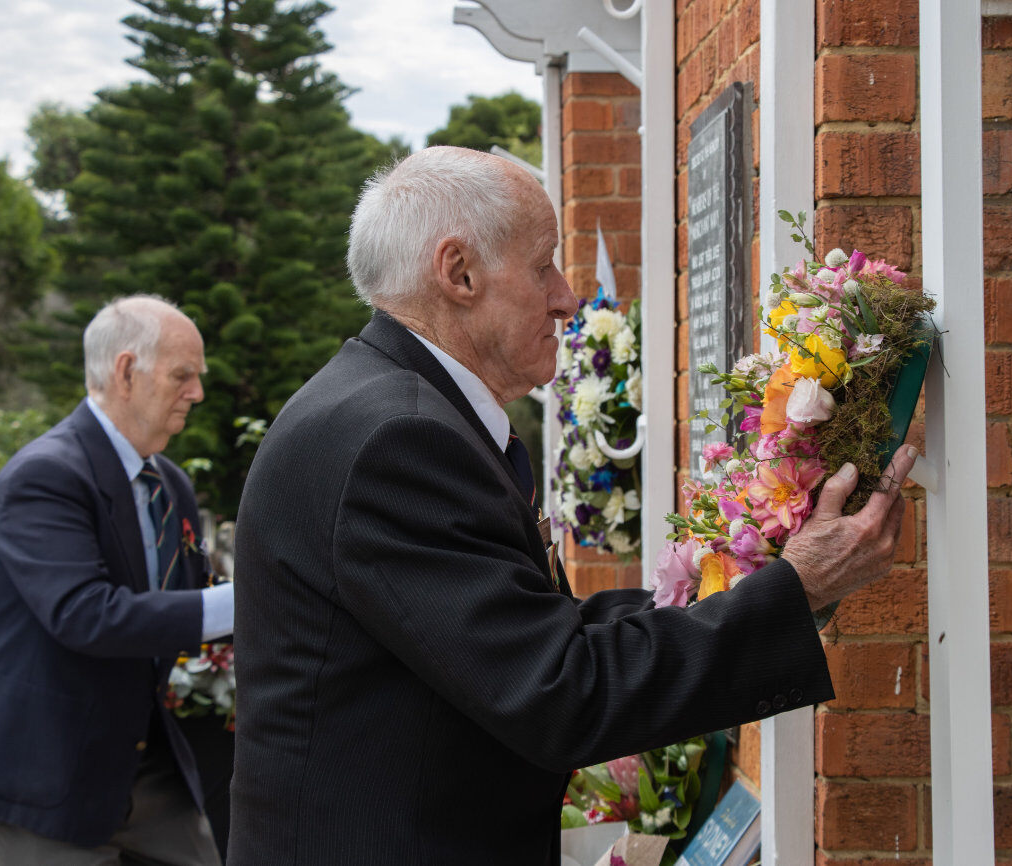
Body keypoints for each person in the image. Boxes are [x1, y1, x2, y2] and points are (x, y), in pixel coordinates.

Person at [228, 146, 915, 865]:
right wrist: (796, 588)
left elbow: (518, 630)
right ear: (458, 272)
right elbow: (557, 690)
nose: (567, 297)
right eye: (544, 264)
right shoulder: (397, 440)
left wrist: (730, 581)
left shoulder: (396, 411)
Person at [0, 296, 233, 866]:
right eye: (182, 375)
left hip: (145, 762)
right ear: (124, 372)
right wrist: (248, 601)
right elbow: (86, 614)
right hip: (46, 769)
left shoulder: (169, 482)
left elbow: (191, 596)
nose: (197, 393)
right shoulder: (43, 476)